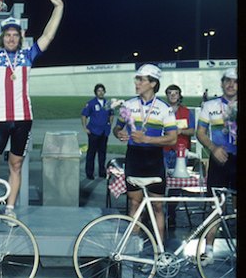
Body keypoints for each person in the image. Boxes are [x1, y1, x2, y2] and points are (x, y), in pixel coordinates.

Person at [0, 0, 64, 222]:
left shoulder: (27, 56)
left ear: (19, 37)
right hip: (0, 119)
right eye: (7, 35)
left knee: (16, 165)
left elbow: (48, 36)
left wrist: (58, 8)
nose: (11, 38)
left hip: (23, 119)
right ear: (2, 37)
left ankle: (9, 209)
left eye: (15, 35)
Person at [113, 64, 177, 243]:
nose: (137, 82)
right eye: (137, 79)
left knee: (157, 207)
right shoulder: (129, 104)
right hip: (134, 157)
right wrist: (119, 133)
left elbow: (172, 139)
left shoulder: (164, 108)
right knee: (134, 203)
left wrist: (146, 139)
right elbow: (117, 128)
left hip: (154, 159)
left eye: (141, 79)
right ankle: (132, 250)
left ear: (153, 83)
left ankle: (159, 253)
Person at [196, 67, 237, 265]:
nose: (231, 85)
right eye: (227, 81)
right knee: (215, 206)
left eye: (235, 81)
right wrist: (213, 148)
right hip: (218, 159)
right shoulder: (210, 105)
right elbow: (200, 132)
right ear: (221, 83)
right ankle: (208, 251)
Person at [162, 84, 195, 228]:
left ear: (179, 95)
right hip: (164, 150)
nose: (173, 95)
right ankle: (157, 211)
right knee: (160, 182)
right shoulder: (162, 111)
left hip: (180, 153)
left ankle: (171, 213)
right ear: (167, 95)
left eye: (175, 93)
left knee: (176, 185)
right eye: (170, 93)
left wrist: (180, 131)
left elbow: (192, 131)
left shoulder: (187, 112)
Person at [81, 84, 114, 179]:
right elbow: (84, 115)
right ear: (96, 92)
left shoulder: (107, 103)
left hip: (104, 132)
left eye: (102, 90)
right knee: (91, 153)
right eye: (99, 91)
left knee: (102, 153)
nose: (101, 92)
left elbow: (111, 114)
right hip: (94, 132)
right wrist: (85, 127)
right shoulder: (91, 103)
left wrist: (109, 124)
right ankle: (89, 173)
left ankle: (102, 171)